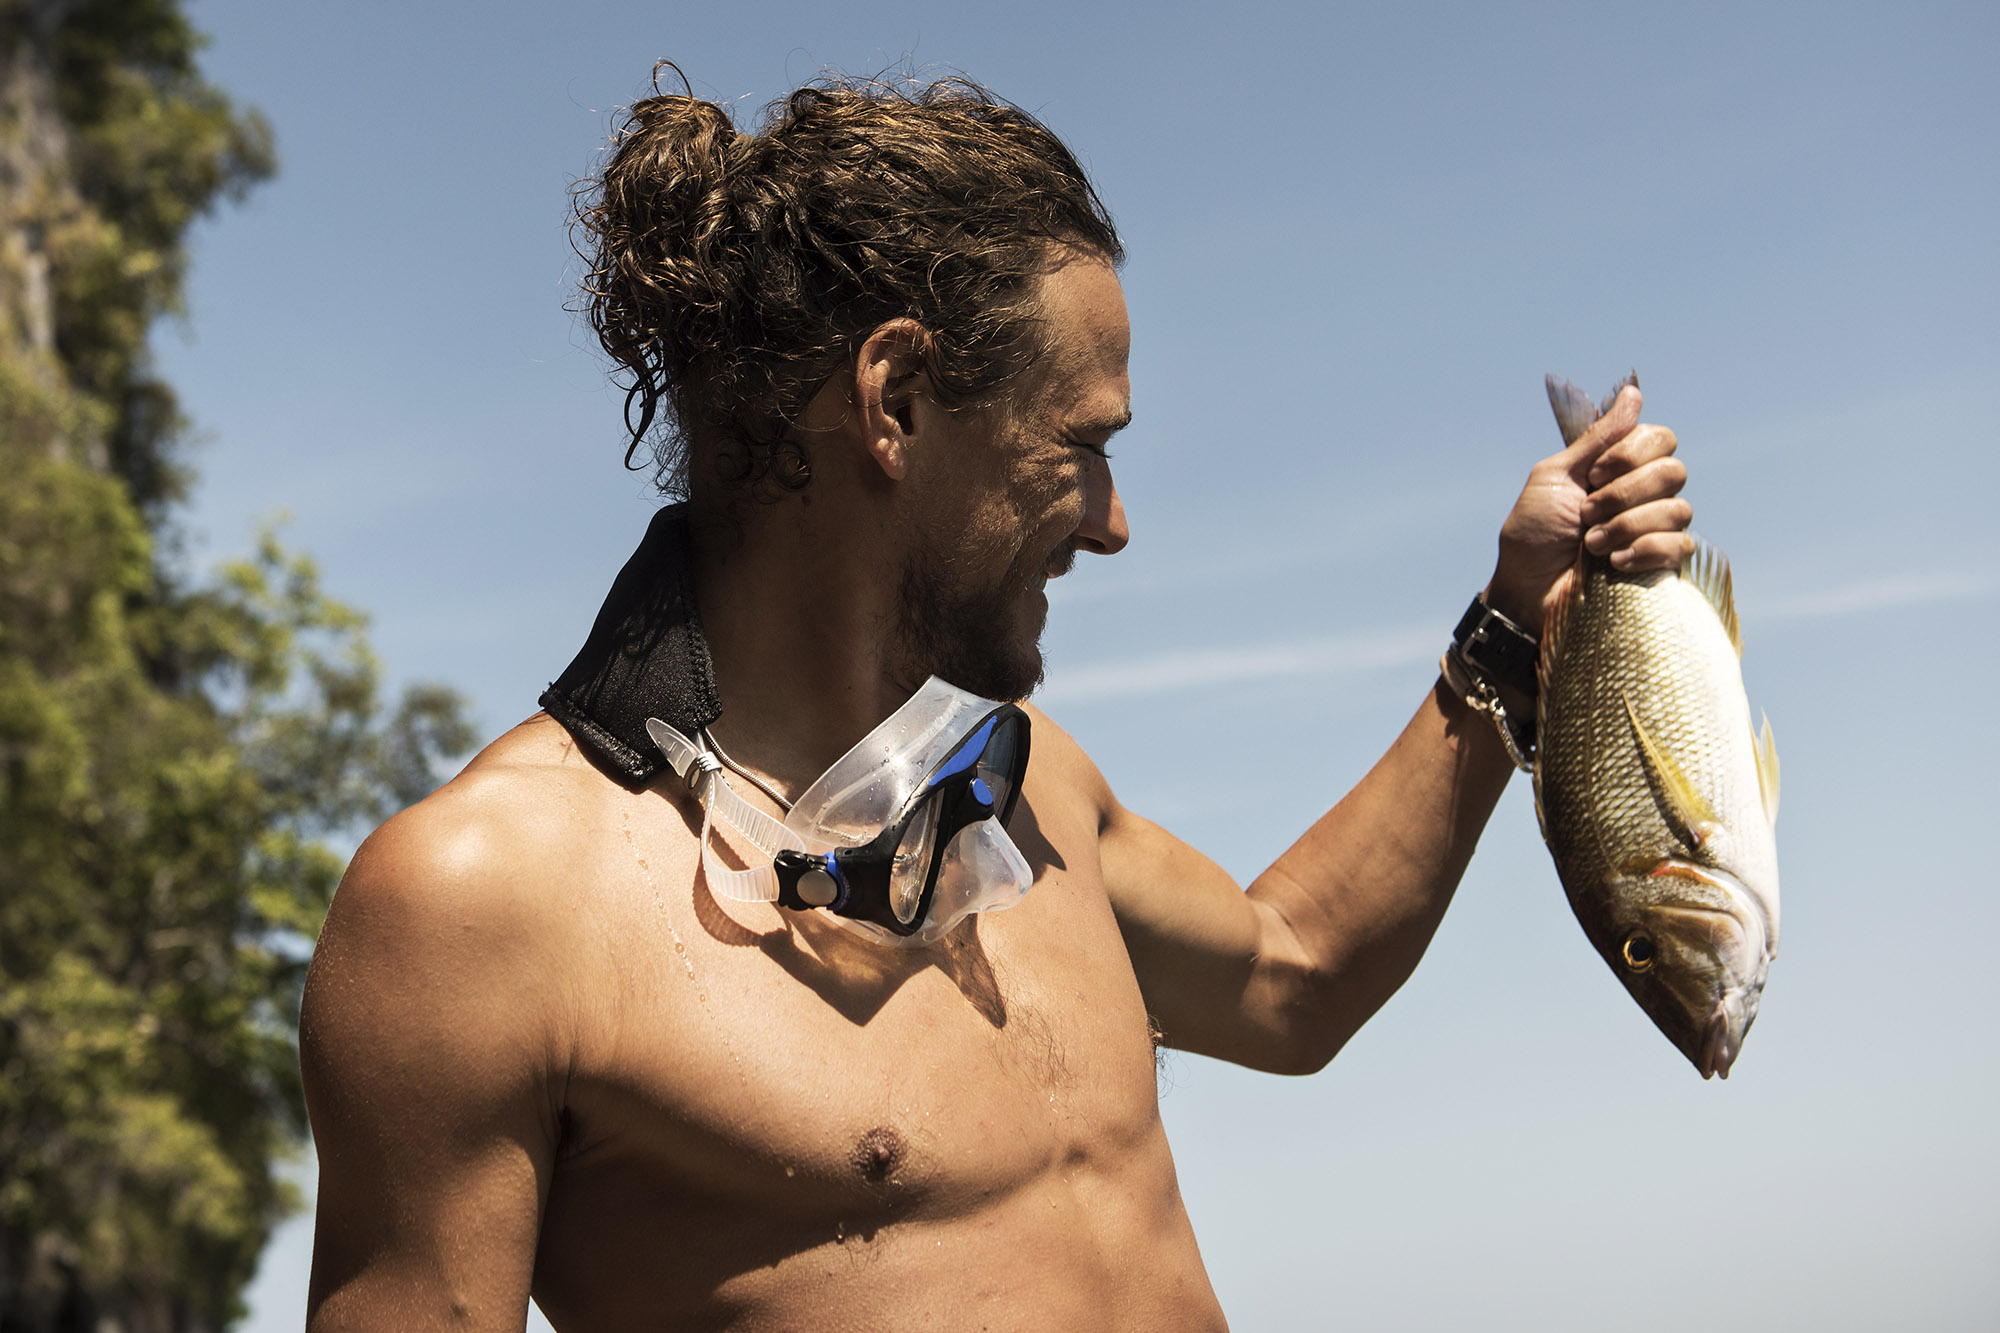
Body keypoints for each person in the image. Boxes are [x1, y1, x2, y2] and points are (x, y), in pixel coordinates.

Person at [299, 69, 1692, 1330]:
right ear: (896, 399)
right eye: (1082, 444)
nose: (1115, 521)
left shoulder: (1029, 789)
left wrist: (1520, 619)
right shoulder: (482, 901)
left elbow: (1293, 976)